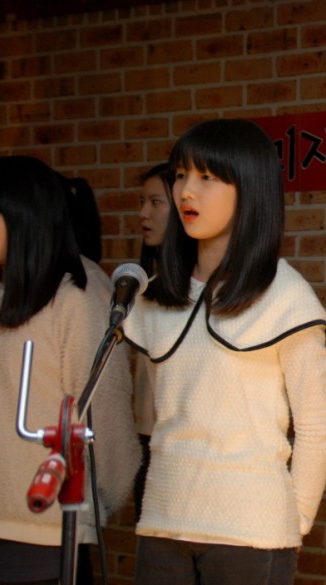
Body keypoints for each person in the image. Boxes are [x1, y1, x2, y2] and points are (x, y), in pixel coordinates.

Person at [123, 119, 326, 585]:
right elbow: (158, 418)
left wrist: (296, 519)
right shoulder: (155, 296)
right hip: (163, 522)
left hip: (251, 532)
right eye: (181, 175)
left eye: (207, 177)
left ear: (249, 189)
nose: (187, 191)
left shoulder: (286, 295)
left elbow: (316, 427)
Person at [0, 156, 139, 585]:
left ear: (23, 216)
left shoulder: (76, 298)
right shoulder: (0, 292)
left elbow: (106, 416)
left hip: (44, 527)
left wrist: (96, 503)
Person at [132, 162, 173, 523]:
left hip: (182, 448)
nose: (144, 213)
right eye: (142, 202)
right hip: (147, 441)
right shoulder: (143, 287)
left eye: (156, 202)